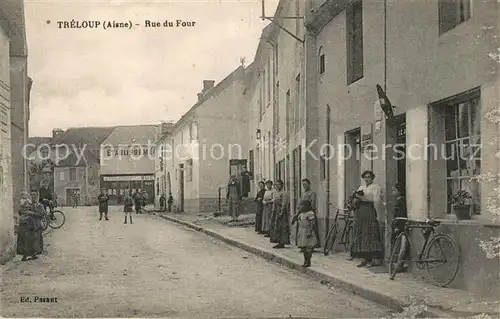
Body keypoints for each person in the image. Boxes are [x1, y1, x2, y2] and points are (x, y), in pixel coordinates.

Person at [351, 170, 383, 267]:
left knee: (370, 233)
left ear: (372, 178)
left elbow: (376, 201)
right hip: (361, 211)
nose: (367, 179)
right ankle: (364, 258)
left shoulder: (376, 187)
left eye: (369, 177)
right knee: (362, 234)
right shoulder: (361, 187)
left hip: (370, 210)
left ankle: (372, 259)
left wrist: (378, 214)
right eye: (365, 177)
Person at [17, 191, 44, 261]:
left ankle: (34, 254)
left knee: (35, 240)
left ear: (37, 196)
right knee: (26, 241)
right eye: (32, 195)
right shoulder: (28, 204)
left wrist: (30, 213)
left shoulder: (40, 205)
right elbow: (20, 212)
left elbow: (40, 214)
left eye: (34, 195)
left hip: (36, 225)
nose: (33, 196)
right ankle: (25, 255)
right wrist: (21, 211)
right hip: (28, 225)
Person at [292, 199, 317, 268]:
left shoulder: (310, 213)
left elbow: (312, 223)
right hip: (302, 232)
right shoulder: (301, 214)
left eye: (301, 205)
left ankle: (308, 261)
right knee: (304, 248)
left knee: (308, 247)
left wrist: (310, 231)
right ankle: (305, 260)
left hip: (307, 231)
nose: (300, 207)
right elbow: (295, 221)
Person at [391, 182, 409, 271]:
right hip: (399, 225)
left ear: (399, 191)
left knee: (400, 246)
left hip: (400, 227)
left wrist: (398, 226)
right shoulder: (399, 200)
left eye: (394, 190)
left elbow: (400, 215)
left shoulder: (400, 201)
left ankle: (399, 264)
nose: (392, 192)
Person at [299, 179, 321, 249]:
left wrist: (310, 211)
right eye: (303, 184)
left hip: (310, 213)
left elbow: (313, 204)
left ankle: (313, 245)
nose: (304, 186)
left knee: (311, 229)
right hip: (303, 213)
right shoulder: (303, 193)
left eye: (305, 184)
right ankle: (303, 245)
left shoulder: (312, 193)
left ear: (309, 184)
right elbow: (300, 203)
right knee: (302, 231)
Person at [270, 180, 290, 249]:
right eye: (276, 185)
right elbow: (274, 203)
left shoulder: (284, 193)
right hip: (276, 211)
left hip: (281, 212)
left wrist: (281, 212)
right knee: (276, 226)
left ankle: (282, 242)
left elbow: (284, 203)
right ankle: (278, 241)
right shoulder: (275, 193)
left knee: (282, 227)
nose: (277, 186)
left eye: (278, 185)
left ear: (282, 185)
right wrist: (273, 211)